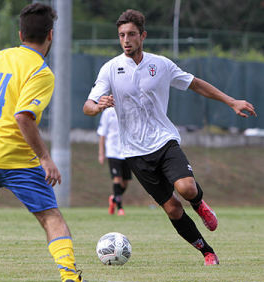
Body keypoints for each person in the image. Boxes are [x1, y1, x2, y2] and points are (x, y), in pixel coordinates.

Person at [83, 9, 257, 265]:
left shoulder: (160, 65)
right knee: (173, 209)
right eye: (121, 35)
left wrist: (231, 102)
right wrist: (97, 107)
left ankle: (199, 204)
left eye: (131, 34)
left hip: (164, 141)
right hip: (134, 152)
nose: (126, 40)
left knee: (186, 188)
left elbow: (195, 83)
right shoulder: (110, 69)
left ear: (143, 35)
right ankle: (207, 252)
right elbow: (88, 105)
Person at [0, 3, 92, 282]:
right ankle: (70, 277)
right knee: (50, 216)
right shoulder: (40, 72)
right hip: (14, 156)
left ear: (20, 33)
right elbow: (24, 116)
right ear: (51, 35)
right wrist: (45, 158)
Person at [97, 107, 132, 216]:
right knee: (117, 178)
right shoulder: (108, 113)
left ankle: (114, 199)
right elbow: (102, 134)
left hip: (127, 151)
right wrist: (101, 153)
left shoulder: (128, 109)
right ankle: (120, 208)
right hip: (113, 152)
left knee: (125, 182)